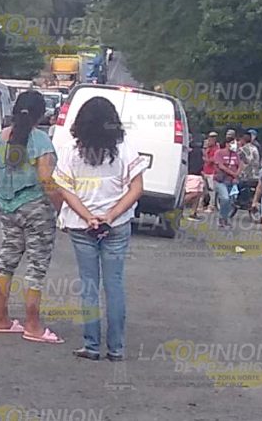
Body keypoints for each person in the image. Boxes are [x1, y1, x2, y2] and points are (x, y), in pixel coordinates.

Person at [53, 96, 148, 362]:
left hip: (81, 226)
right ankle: (116, 349)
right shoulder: (125, 148)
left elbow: (64, 188)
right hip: (116, 226)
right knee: (114, 284)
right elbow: (137, 188)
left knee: (89, 285)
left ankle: (91, 345)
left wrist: (87, 217)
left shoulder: (71, 151)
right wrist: (110, 215)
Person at [0, 91, 61, 343]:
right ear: (42, 114)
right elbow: (46, 180)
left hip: (6, 206)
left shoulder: (1, 137)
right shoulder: (40, 141)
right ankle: (33, 326)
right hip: (36, 208)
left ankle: (2, 319)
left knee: (5, 261)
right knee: (36, 268)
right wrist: (62, 208)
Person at [213, 136, 242, 228]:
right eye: (232, 143)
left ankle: (225, 219)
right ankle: (222, 219)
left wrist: (236, 174)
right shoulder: (219, 153)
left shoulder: (235, 154)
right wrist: (233, 174)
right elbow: (221, 166)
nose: (234, 145)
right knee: (225, 198)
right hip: (221, 180)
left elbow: (240, 165)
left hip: (231, 181)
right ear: (226, 144)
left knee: (230, 201)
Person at [184, 139, 206, 220]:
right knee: (193, 193)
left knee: (198, 194)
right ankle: (179, 207)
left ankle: (193, 213)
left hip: (198, 174)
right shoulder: (196, 152)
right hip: (193, 174)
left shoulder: (192, 152)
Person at [202, 132, 219, 212]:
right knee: (203, 189)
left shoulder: (216, 149)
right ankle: (202, 205)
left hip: (212, 172)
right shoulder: (207, 148)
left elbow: (213, 160)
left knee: (212, 190)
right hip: (205, 171)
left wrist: (206, 159)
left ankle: (211, 206)